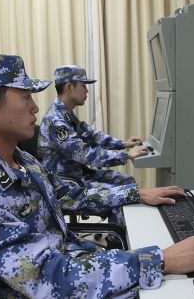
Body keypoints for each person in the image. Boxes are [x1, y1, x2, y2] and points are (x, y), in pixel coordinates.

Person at [0, 53, 194, 298]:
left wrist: (137, 194)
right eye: (25, 97)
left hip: (78, 266)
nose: (34, 107)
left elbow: (73, 193)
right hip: (65, 284)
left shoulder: (23, 161)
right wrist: (160, 260)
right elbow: (49, 278)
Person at [37, 65, 148, 241]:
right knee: (121, 197)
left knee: (127, 181)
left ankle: (122, 233)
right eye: (83, 85)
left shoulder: (66, 114)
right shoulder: (56, 121)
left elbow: (92, 135)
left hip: (78, 174)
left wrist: (123, 144)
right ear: (69, 87)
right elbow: (87, 155)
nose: (87, 91)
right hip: (66, 184)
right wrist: (126, 155)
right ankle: (117, 247)